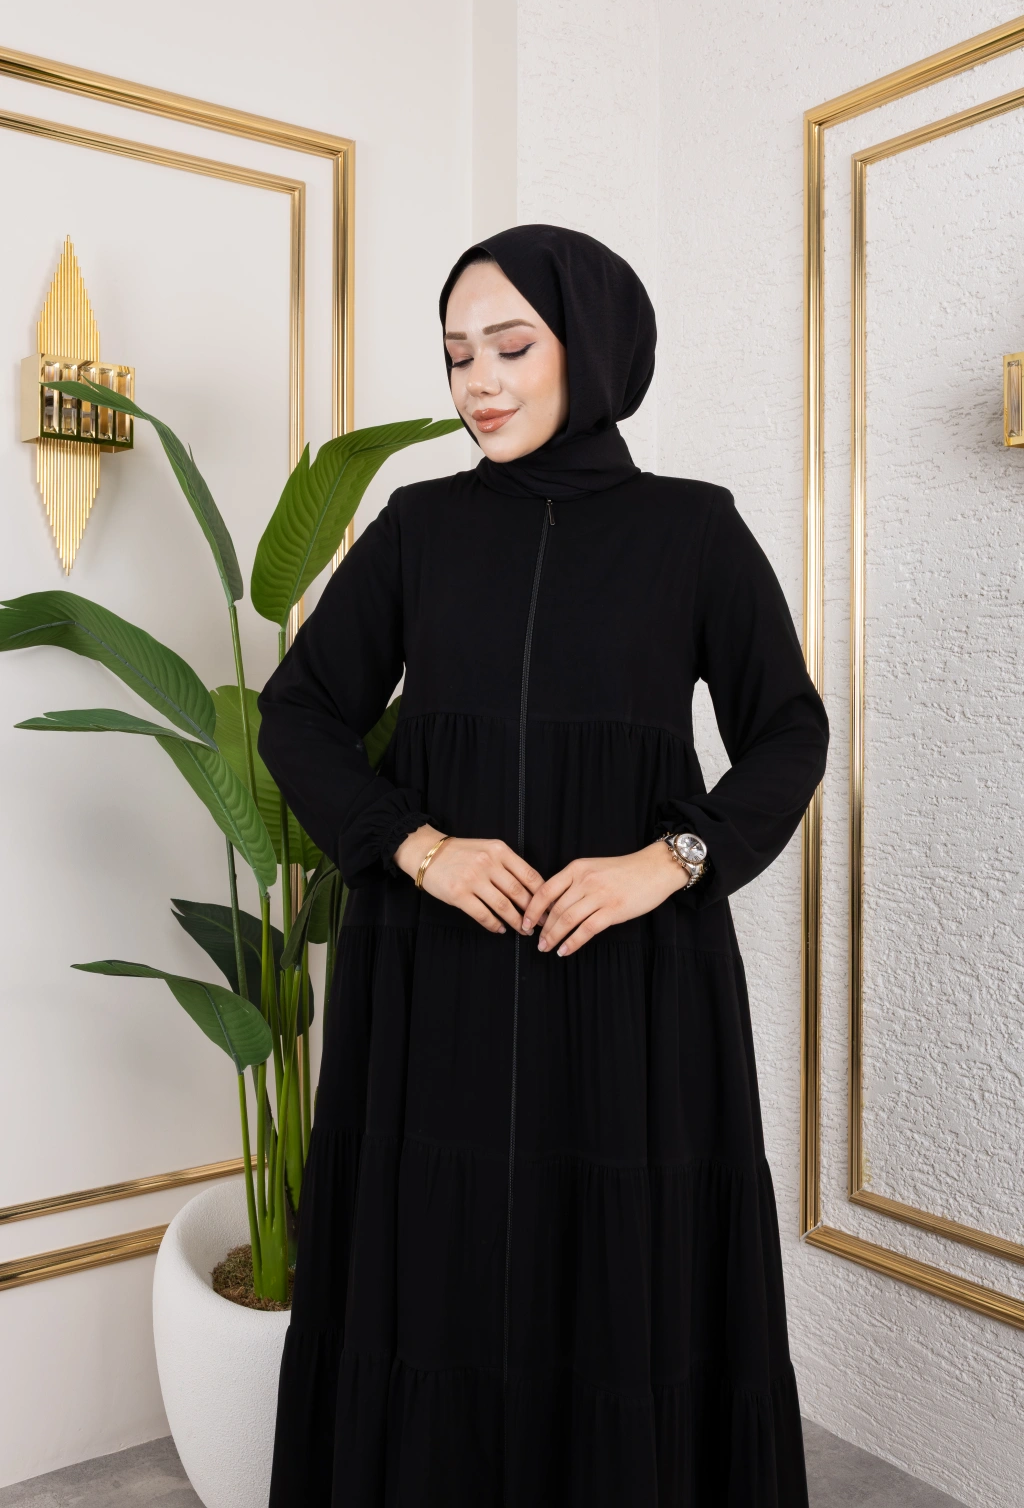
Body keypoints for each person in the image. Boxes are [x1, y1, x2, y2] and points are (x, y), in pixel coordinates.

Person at [257, 223, 829, 1507]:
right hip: (436, 975)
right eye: (458, 354)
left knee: (619, 1272)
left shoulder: (692, 531)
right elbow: (299, 712)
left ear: (593, 345)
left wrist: (671, 861)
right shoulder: (418, 528)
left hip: (628, 981)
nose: (479, 382)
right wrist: (416, 847)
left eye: (511, 347)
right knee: (439, 1261)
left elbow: (789, 731)